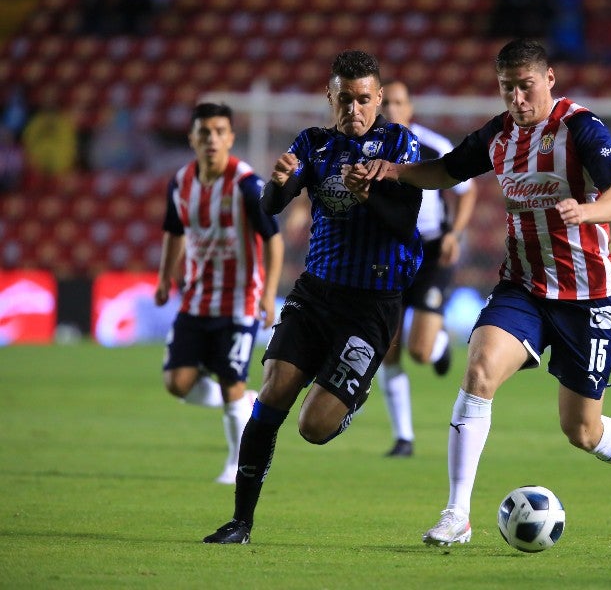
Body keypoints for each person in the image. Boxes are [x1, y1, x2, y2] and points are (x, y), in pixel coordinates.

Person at [346, 39, 611, 546]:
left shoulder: (581, 128)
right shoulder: (499, 135)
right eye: (507, 88)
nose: (516, 98)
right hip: (524, 287)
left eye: (525, 86)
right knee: (479, 370)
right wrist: (393, 172)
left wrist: (586, 210)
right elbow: (445, 171)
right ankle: (457, 515)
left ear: (549, 79)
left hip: (588, 295)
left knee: (580, 430)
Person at [202, 50, 423, 544]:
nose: (354, 109)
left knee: (313, 427)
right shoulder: (313, 144)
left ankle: (349, 397)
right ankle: (241, 522)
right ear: (331, 97)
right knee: (273, 390)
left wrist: (369, 194)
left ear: (379, 98)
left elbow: (405, 221)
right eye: (345, 99)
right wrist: (278, 186)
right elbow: (274, 206)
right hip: (316, 293)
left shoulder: (400, 146)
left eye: (364, 99)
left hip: (373, 304)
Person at [155, 102, 284, 484]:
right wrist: (165, 278)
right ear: (192, 138)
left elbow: (272, 239)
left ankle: (234, 464)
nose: (212, 138)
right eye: (204, 132)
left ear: (230, 136)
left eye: (219, 131)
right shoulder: (180, 183)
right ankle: (241, 401)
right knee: (176, 383)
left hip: (239, 299)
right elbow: (174, 231)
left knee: (230, 380)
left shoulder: (245, 183)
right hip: (196, 298)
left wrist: (267, 294)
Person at [377, 80, 477, 458]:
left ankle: (438, 346)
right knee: (388, 348)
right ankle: (403, 437)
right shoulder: (368, 149)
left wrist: (457, 234)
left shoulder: (433, 145)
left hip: (432, 250)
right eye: (387, 103)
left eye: (399, 102)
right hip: (387, 254)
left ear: (410, 107)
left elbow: (467, 191)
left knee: (418, 350)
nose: (393, 109)